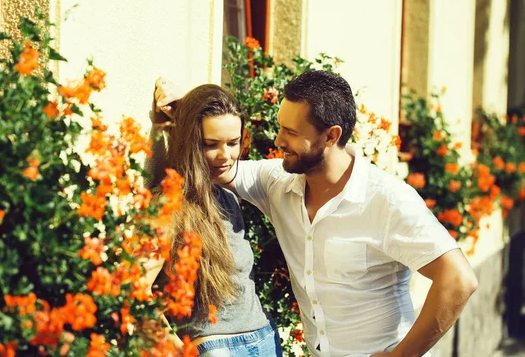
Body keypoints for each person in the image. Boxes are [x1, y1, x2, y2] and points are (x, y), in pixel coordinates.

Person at [155, 70, 478, 357]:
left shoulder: (388, 201)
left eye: (291, 133)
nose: (279, 140)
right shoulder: (278, 182)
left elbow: (458, 279)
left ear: (331, 136)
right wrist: (192, 111)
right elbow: (217, 167)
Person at [149, 81, 283, 357]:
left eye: (233, 143)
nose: (226, 156)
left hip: (264, 338)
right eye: (211, 145)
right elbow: (134, 290)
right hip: (215, 347)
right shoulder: (168, 205)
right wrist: (179, 352)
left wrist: (188, 104)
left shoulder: (226, 193)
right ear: (190, 141)